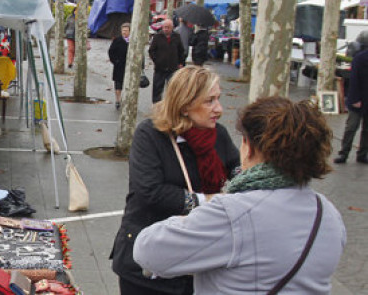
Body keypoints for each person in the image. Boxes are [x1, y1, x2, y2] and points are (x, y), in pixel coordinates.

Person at [134, 96, 346, 294]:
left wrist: (193, 215)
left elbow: (147, 251)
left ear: (250, 147)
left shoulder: (231, 213)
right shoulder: (328, 213)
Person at [109, 66, 240, 295]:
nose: (218, 109)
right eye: (209, 101)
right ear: (186, 104)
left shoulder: (219, 135)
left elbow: (239, 173)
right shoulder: (149, 135)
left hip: (196, 262)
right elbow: (150, 192)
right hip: (145, 264)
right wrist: (209, 201)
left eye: (218, 99)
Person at [335, 30, 368, 164]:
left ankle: (361, 154)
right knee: (352, 127)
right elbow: (354, 81)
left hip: (361, 98)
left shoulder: (359, 57)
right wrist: (354, 99)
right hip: (359, 99)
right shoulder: (360, 58)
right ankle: (344, 153)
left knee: (364, 129)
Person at [148, 19, 186, 103]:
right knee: (157, 88)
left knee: (172, 89)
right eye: (164, 27)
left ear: (172, 28)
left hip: (173, 68)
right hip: (160, 68)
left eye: (168, 27)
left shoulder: (177, 36)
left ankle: (170, 105)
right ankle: (156, 106)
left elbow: (181, 51)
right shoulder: (157, 37)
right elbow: (151, 50)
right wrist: (156, 60)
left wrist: (181, 63)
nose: (166, 29)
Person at [108, 23, 131, 110]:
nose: (124, 32)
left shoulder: (133, 40)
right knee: (118, 84)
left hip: (129, 66)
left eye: (126, 30)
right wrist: (115, 61)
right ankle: (118, 100)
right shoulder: (117, 40)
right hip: (119, 66)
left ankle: (127, 100)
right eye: (123, 30)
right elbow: (111, 51)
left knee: (128, 84)